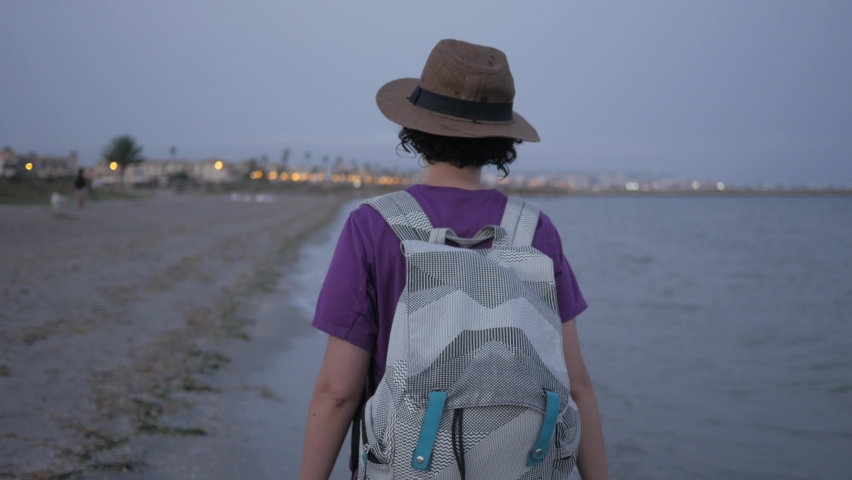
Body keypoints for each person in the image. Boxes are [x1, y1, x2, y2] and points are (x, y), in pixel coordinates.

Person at [301, 39, 609, 480]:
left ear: (415, 127)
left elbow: (338, 392)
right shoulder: (534, 229)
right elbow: (576, 384)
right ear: (501, 138)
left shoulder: (372, 225)